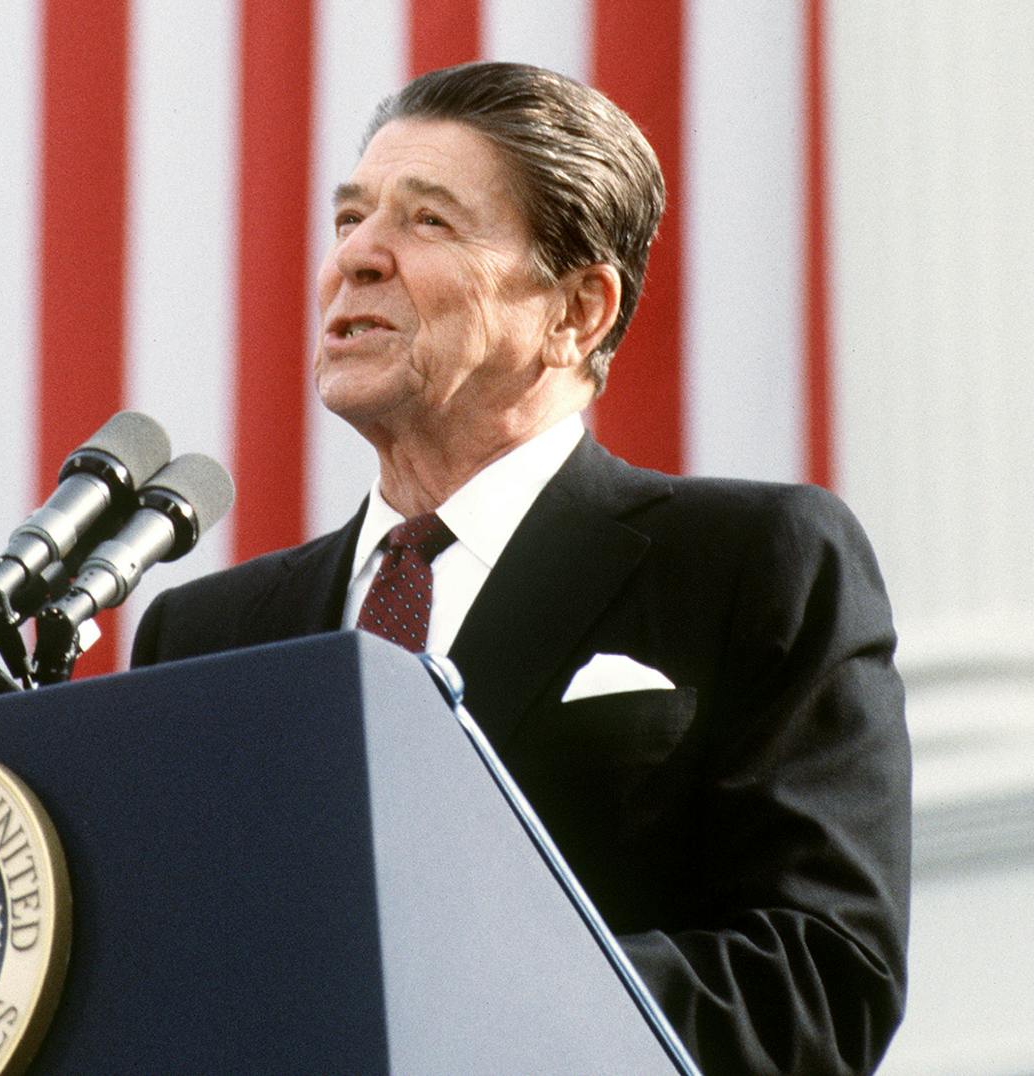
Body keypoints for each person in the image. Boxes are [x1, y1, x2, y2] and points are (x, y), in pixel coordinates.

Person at [131, 61, 910, 1075]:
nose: (355, 258)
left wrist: (448, 1001)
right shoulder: (204, 636)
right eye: (349, 218)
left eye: (426, 222)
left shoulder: (746, 562)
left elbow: (817, 984)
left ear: (575, 312)